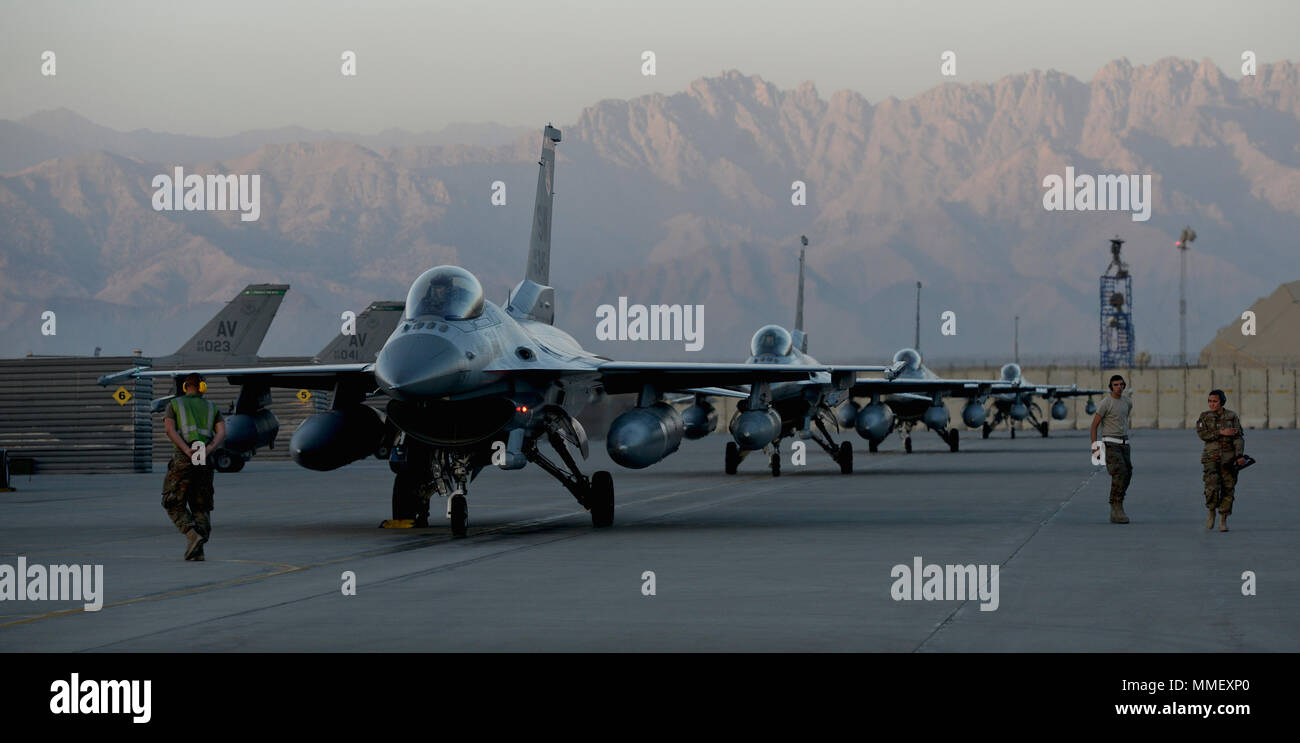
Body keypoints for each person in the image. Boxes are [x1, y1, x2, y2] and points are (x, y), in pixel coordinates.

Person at [162, 373, 226, 560]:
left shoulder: (175, 405)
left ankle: (191, 535)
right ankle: (198, 551)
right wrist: (210, 448)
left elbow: (169, 430)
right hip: (205, 456)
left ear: (185, 387)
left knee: (172, 500)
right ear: (202, 387)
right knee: (201, 503)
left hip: (185, 456)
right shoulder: (212, 407)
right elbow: (222, 432)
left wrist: (186, 449)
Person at [1195, 389, 1246, 532]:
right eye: (1210, 401)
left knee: (1228, 488)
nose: (1212, 404)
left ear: (1222, 401)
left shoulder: (1231, 416)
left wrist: (1240, 455)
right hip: (1210, 458)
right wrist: (1221, 432)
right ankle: (1211, 512)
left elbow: (1238, 437)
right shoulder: (1204, 416)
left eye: (1215, 401)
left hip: (1229, 459)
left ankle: (1223, 518)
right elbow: (1202, 434)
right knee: (1211, 487)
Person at [1090, 374, 1133, 524]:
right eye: (1115, 385)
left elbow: (1123, 419)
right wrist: (1096, 449)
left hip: (1124, 444)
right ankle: (1116, 506)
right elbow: (1094, 425)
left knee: (1128, 473)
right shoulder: (1105, 403)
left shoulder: (1127, 402)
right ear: (1111, 387)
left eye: (1121, 384)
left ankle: (1119, 500)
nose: (1119, 387)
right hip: (1110, 444)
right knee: (1119, 472)